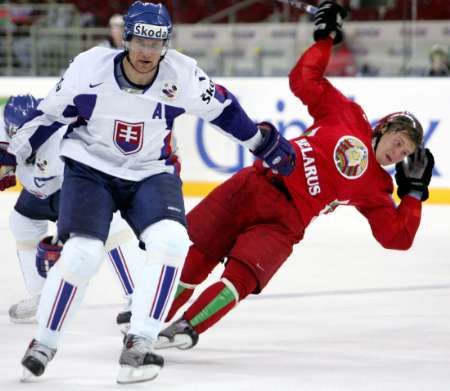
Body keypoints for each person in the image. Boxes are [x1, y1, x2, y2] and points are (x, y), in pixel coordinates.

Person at [8, 1, 295, 384]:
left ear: (166, 45)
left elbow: (223, 110)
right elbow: (49, 115)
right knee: (81, 254)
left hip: (150, 172)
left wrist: (261, 142)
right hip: (90, 168)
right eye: (141, 41)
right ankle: (44, 342)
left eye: (157, 43)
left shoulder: (182, 74)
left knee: (173, 242)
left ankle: (140, 341)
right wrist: (11, 154)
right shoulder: (89, 68)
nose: (147, 52)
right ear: (125, 38)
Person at [153, 1, 435, 351]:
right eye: (398, 143)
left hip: (285, 222)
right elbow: (303, 80)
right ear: (384, 128)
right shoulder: (347, 114)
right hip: (252, 185)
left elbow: (397, 238)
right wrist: (324, 41)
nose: (397, 155)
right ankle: (147, 321)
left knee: (242, 276)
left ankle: (187, 327)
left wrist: (413, 194)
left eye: (405, 154)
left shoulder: (378, 188)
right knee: (197, 257)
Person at [0, 95, 142, 326]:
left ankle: (138, 298)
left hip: (74, 182)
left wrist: (67, 232)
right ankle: (42, 296)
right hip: (41, 189)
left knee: (108, 225)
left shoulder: (60, 138)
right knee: (21, 222)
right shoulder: (5, 127)